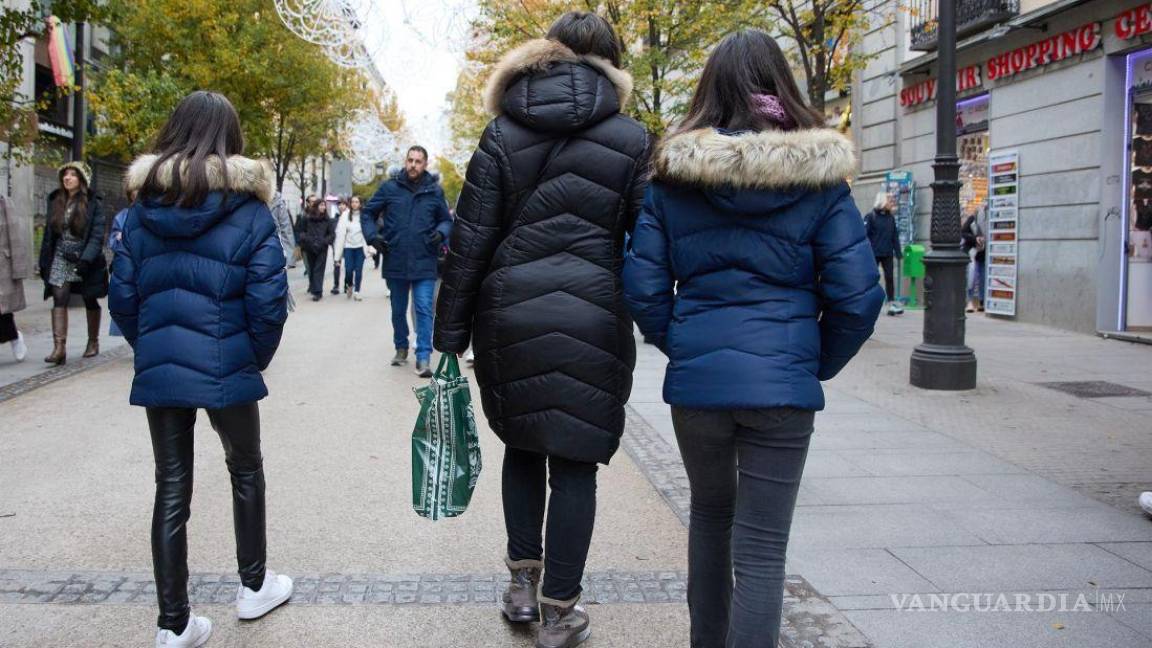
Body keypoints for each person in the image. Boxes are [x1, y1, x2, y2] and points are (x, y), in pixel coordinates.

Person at [622, 30, 884, 648]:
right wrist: (814, 362)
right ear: (780, 85)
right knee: (763, 547)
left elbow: (643, 287)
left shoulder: (671, 176)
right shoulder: (820, 180)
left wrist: (684, 345)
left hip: (700, 387)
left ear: (709, 89)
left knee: (711, 517)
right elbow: (858, 293)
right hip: (782, 388)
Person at [434, 12, 650, 648]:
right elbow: (649, 246)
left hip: (509, 314)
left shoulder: (501, 133)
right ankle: (561, 610)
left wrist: (447, 341)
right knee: (577, 464)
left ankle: (521, 588)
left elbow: (468, 244)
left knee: (523, 449)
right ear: (613, 63)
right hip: (593, 313)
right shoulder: (634, 139)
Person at [108, 90, 292, 648]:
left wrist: (154, 349)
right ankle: (254, 586)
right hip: (228, 361)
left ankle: (174, 623)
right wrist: (247, 358)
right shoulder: (251, 211)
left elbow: (123, 299)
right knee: (246, 470)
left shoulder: (138, 214)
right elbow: (268, 302)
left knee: (171, 486)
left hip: (162, 365)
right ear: (229, 138)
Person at [362, 145, 453, 378]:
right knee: (397, 309)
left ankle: (423, 356)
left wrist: (441, 233)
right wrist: (373, 237)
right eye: (410, 160)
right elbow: (367, 213)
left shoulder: (434, 191)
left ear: (425, 164)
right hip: (396, 258)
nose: (413, 165)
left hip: (425, 259)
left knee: (424, 308)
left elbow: (446, 220)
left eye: (418, 161)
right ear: (406, 161)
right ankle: (401, 346)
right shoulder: (389, 188)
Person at [37, 160, 108, 364]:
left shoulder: (94, 203)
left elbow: (96, 235)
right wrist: (44, 261)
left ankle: (92, 341)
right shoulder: (56, 200)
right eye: (65, 175)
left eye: (73, 175)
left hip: (85, 256)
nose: (67, 178)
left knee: (89, 297)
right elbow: (50, 235)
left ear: (82, 180)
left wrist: (85, 259)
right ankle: (59, 348)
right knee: (59, 297)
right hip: (60, 255)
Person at [0, 194, 29, 362]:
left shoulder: (3, 203)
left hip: (2, 264)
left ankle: (15, 337)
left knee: (3, 311)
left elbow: (14, 236)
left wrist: (18, 268)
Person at [865, 192, 904, 316]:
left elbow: (894, 236)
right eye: (889, 200)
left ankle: (891, 303)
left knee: (889, 278)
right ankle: (867, 302)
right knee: (871, 278)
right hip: (873, 253)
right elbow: (865, 235)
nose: (892, 202)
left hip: (887, 253)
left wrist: (898, 252)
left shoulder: (890, 218)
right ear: (882, 201)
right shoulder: (871, 216)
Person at [298, 195, 335, 301]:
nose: (324, 207)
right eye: (322, 205)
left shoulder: (327, 220)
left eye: (324, 205)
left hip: (322, 248)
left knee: (319, 269)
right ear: (317, 206)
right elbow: (302, 231)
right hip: (310, 247)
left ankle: (318, 291)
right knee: (312, 269)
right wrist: (306, 240)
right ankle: (314, 288)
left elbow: (331, 234)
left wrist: (324, 241)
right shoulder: (307, 218)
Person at [335, 195, 368, 301]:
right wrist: (337, 257)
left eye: (357, 202)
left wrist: (371, 247)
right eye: (353, 202)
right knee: (348, 270)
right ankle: (349, 285)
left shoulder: (364, 216)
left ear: (360, 204)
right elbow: (340, 235)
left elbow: (368, 232)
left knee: (359, 270)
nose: (354, 204)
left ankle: (357, 291)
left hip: (360, 248)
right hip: (348, 247)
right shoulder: (345, 215)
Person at [962, 204, 988, 313]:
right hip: (973, 252)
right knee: (971, 277)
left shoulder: (991, 220)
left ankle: (982, 302)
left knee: (983, 278)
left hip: (984, 254)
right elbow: (963, 233)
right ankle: (969, 301)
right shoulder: (973, 219)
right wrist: (975, 238)